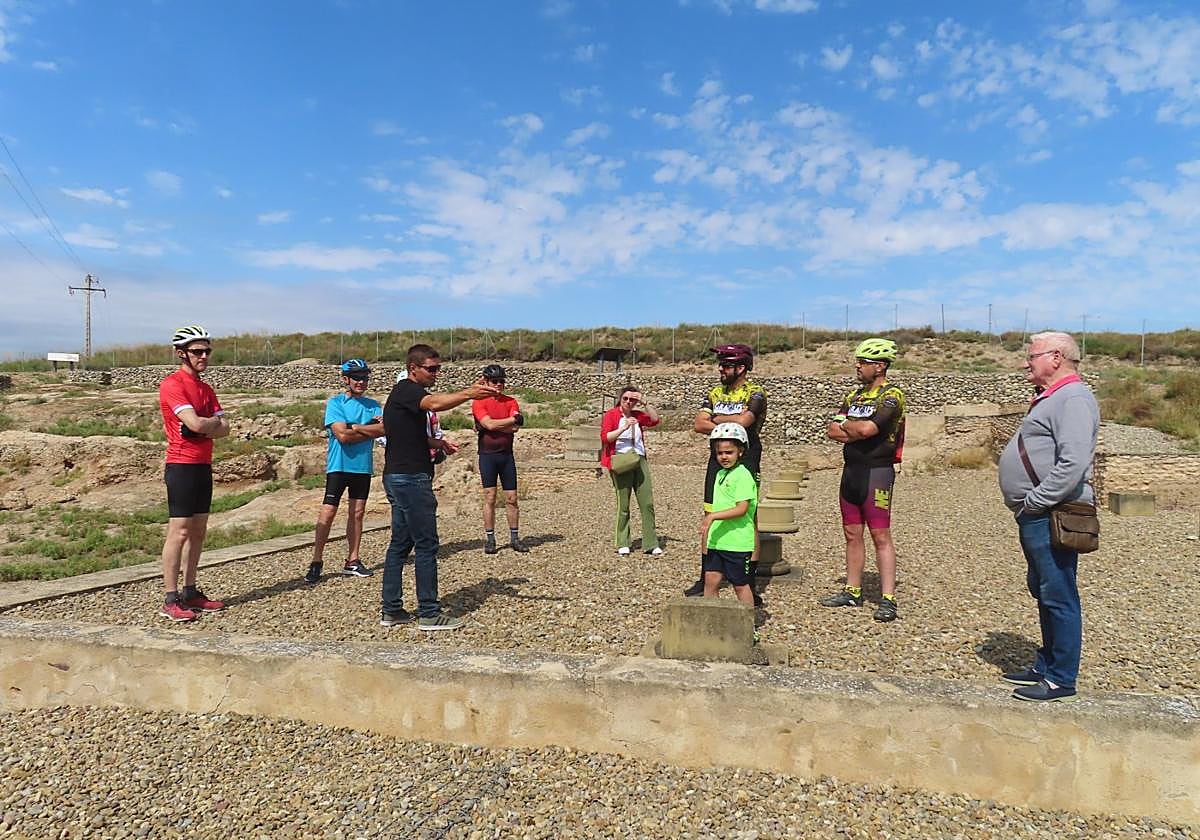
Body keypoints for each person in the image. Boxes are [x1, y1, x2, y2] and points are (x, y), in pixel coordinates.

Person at [997, 331, 1099, 702]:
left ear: (1056, 358)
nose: (1027, 362)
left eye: (1033, 355)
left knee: (1058, 593)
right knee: (1044, 590)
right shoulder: (1056, 398)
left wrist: (1036, 501)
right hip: (1041, 511)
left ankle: (1060, 678)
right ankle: (1046, 665)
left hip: (1051, 511)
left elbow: (1073, 463)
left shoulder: (1072, 398)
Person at [380, 344, 499, 630]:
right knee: (426, 544)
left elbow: (406, 434)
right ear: (413, 368)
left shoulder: (404, 396)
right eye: (431, 369)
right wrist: (469, 394)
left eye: (438, 369)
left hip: (399, 476)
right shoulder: (408, 390)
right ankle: (429, 613)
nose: (436, 374)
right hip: (411, 479)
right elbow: (435, 403)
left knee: (400, 544)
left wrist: (437, 444)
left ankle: (392, 610)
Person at [820, 337, 906, 622]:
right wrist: (850, 428)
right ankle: (852, 591)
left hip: (877, 473)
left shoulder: (892, 396)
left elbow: (869, 429)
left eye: (864, 362)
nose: (857, 366)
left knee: (880, 535)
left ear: (880, 366)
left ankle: (888, 598)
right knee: (851, 534)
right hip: (851, 472)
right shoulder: (853, 396)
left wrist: (849, 427)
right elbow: (832, 431)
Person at [157, 325, 230, 622]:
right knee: (180, 531)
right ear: (181, 354)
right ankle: (170, 598)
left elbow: (224, 429)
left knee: (199, 531)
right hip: (181, 465)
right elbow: (200, 425)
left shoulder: (206, 389)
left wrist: (205, 425)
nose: (204, 356)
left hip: (202, 464)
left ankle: (190, 591)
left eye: (207, 351)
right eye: (197, 351)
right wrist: (207, 425)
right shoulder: (172, 385)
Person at [684, 344, 767, 602]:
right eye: (720, 364)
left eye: (726, 365)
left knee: (750, 516)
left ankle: (748, 579)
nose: (721, 369)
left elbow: (744, 423)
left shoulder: (755, 392)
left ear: (741, 368)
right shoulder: (715, 391)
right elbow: (699, 424)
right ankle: (706, 575)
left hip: (747, 455)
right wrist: (729, 418)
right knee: (710, 511)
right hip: (716, 455)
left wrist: (717, 418)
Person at [304, 359, 385, 584]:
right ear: (346, 379)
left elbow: (383, 429)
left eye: (365, 377)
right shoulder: (335, 403)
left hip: (362, 467)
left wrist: (355, 428)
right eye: (357, 377)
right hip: (339, 466)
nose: (361, 381)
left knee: (357, 513)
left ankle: (353, 560)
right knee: (328, 512)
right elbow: (342, 436)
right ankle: (316, 560)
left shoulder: (373, 405)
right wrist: (366, 428)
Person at [701, 423, 758, 613]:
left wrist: (712, 518)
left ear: (740, 451)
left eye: (729, 452)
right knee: (711, 581)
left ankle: (747, 625)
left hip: (737, 542)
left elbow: (741, 508)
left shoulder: (743, 476)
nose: (724, 457)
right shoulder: (719, 474)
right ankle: (714, 620)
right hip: (718, 541)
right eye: (720, 453)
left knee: (740, 585)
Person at [471, 364, 528, 554]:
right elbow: (492, 423)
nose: (499, 385)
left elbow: (514, 429)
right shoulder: (479, 402)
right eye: (495, 381)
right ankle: (490, 539)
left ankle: (514, 537)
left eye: (502, 381)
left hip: (506, 455)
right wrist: (510, 421)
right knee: (490, 497)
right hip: (487, 455)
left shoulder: (511, 401)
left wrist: (490, 426)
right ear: (486, 382)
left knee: (511, 498)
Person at [599, 385, 661, 556]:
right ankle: (623, 541)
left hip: (639, 459)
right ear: (620, 399)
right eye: (625, 398)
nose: (628, 402)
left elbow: (655, 420)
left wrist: (645, 402)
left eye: (632, 399)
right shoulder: (611, 415)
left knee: (647, 502)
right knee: (624, 504)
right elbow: (605, 437)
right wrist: (624, 428)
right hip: (620, 459)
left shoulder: (638, 415)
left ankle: (650, 542)